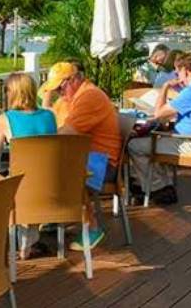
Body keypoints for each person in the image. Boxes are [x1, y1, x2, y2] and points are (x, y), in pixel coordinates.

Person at [40, 60, 121, 249]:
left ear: (74, 79)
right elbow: (50, 120)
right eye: (56, 89)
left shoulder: (88, 97)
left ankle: (92, 227)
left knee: (65, 172)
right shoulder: (69, 98)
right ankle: (55, 215)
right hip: (84, 155)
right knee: (52, 167)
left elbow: (64, 132)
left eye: (60, 87)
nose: (58, 92)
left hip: (102, 163)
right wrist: (48, 95)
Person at [127, 54, 191, 204]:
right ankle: (161, 186)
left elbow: (158, 114)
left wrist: (165, 87)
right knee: (155, 140)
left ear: (186, 71)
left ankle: (157, 188)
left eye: (178, 73)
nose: (178, 77)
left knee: (134, 145)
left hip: (189, 144)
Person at [0, 73, 57, 173]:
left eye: (6, 90)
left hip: (20, 185)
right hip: (51, 184)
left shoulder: (4, 120)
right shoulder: (50, 116)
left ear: (12, 92)